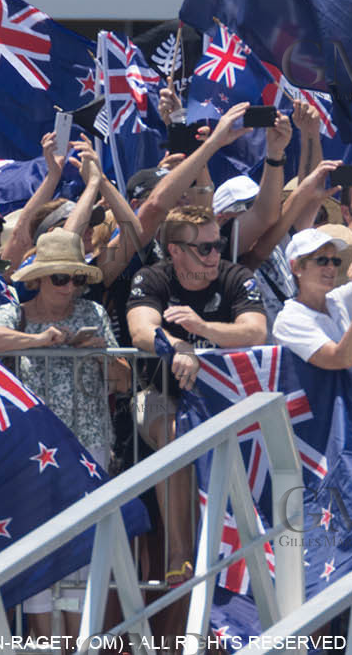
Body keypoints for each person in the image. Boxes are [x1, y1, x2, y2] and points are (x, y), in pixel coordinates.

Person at [0, 229, 128, 640]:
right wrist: (37, 341)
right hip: (33, 446)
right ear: (40, 278)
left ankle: (77, 646)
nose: (69, 287)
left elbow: (124, 381)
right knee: (37, 546)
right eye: (61, 278)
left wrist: (100, 354)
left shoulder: (93, 313)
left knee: (82, 548)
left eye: (76, 278)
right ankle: (45, 644)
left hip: (88, 443)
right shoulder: (17, 314)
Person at [125, 204, 268, 583]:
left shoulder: (235, 276)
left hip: (225, 399)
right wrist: (179, 346)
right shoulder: (151, 278)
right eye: (204, 248)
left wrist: (204, 328)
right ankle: (179, 553)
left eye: (217, 244)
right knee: (174, 434)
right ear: (175, 250)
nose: (214, 254)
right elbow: (141, 330)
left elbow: (255, 331)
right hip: (161, 392)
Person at [271, 229, 352, 370]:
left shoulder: (337, 299)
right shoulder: (289, 320)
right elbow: (340, 360)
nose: (331, 267)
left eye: (335, 261)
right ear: (296, 267)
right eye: (322, 261)